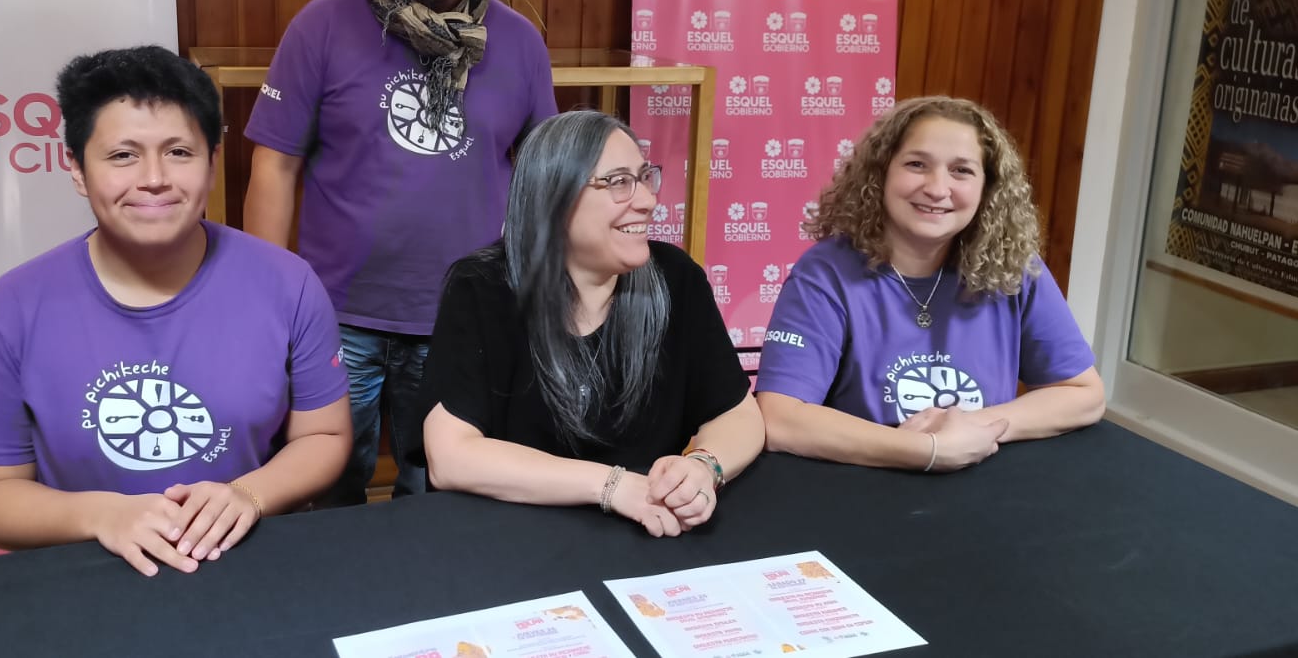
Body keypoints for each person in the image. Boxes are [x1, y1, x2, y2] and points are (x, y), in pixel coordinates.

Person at [0, 46, 350, 576]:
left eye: (179, 152)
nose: (154, 178)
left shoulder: (288, 283)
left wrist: (247, 495)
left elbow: (324, 435)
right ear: (76, 169)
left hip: (246, 559)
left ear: (211, 161)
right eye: (122, 155)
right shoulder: (10, 309)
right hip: (87, 572)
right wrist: (101, 515)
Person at [243, 0, 557, 505]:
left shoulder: (521, 44)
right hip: (334, 319)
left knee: (443, 497)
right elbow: (274, 163)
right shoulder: (321, 26)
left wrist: (533, 296)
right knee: (323, 496)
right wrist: (275, 304)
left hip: (463, 317)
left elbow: (541, 178)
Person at [421, 111, 764, 536]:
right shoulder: (484, 288)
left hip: (645, 534)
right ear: (554, 198)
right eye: (618, 182)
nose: (647, 200)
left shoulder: (677, 278)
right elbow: (450, 456)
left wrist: (703, 466)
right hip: (512, 539)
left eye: (644, 177)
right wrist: (612, 486)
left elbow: (740, 416)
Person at [754, 96, 1105, 473]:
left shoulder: (1014, 268)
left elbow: (1083, 394)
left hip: (982, 481)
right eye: (917, 164)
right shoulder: (826, 273)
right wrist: (927, 450)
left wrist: (972, 427)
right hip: (862, 486)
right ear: (880, 174)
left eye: (962, 171)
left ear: (988, 188)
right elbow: (779, 417)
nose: (938, 188)